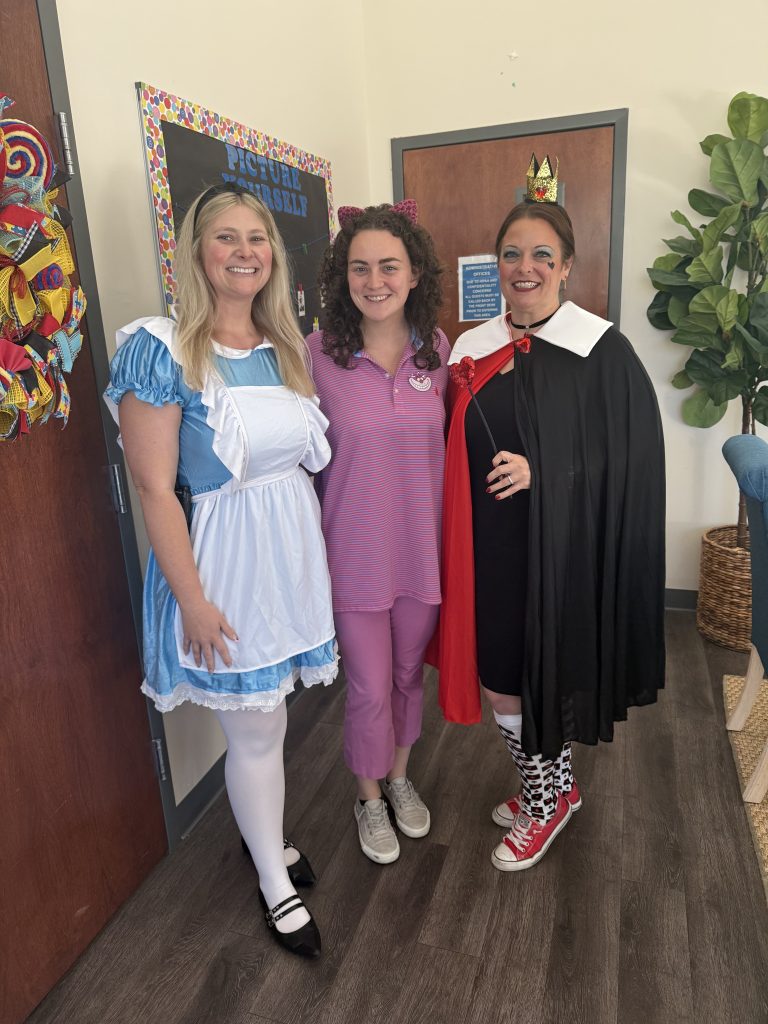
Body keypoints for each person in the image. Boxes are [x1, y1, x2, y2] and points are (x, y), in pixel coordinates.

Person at [104, 183, 337, 958]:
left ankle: (264, 836)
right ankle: (273, 879)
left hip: (287, 563)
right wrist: (193, 601)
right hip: (225, 566)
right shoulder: (162, 348)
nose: (245, 252)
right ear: (196, 253)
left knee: (272, 722)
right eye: (226, 238)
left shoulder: (283, 346)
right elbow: (153, 489)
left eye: (257, 238)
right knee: (258, 726)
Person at [435, 156, 665, 871]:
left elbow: (634, 460)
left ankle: (545, 802)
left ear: (566, 266)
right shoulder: (473, 346)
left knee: (528, 678)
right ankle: (554, 788)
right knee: (501, 673)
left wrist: (548, 472)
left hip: (563, 544)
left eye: (542, 255)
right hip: (491, 542)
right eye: (511, 255)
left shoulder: (602, 350)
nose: (525, 268)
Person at [307, 201, 449, 864]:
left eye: (389, 266)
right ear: (344, 276)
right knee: (366, 685)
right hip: (354, 554)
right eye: (360, 267)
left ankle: (398, 778)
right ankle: (368, 797)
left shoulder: (438, 351)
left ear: (414, 273)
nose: (375, 280)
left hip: (422, 553)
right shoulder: (316, 356)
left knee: (406, 676)